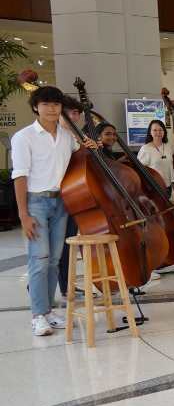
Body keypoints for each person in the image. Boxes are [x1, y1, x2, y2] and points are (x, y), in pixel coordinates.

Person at [14, 86, 96, 336]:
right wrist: (23, 215)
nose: (51, 109)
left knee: (53, 261)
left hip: (62, 202)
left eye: (56, 104)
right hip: (35, 202)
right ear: (36, 107)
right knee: (38, 261)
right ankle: (38, 315)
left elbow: (78, 154)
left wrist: (89, 145)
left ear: (61, 108)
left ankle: (49, 311)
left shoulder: (66, 135)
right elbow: (19, 176)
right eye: (46, 104)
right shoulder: (23, 137)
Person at [56, 96, 86, 302]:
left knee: (69, 244)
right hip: (57, 196)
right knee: (55, 247)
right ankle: (47, 288)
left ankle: (67, 286)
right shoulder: (58, 136)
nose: (74, 116)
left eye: (77, 113)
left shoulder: (77, 136)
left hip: (75, 196)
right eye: (70, 112)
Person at [136, 119, 174, 200]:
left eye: (160, 130)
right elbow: (138, 169)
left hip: (169, 187)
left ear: (164, 131)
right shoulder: (145, 149)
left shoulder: (169, 146)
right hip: (154, 188)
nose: (158, 132)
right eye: (155, 130)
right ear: (150, 132)